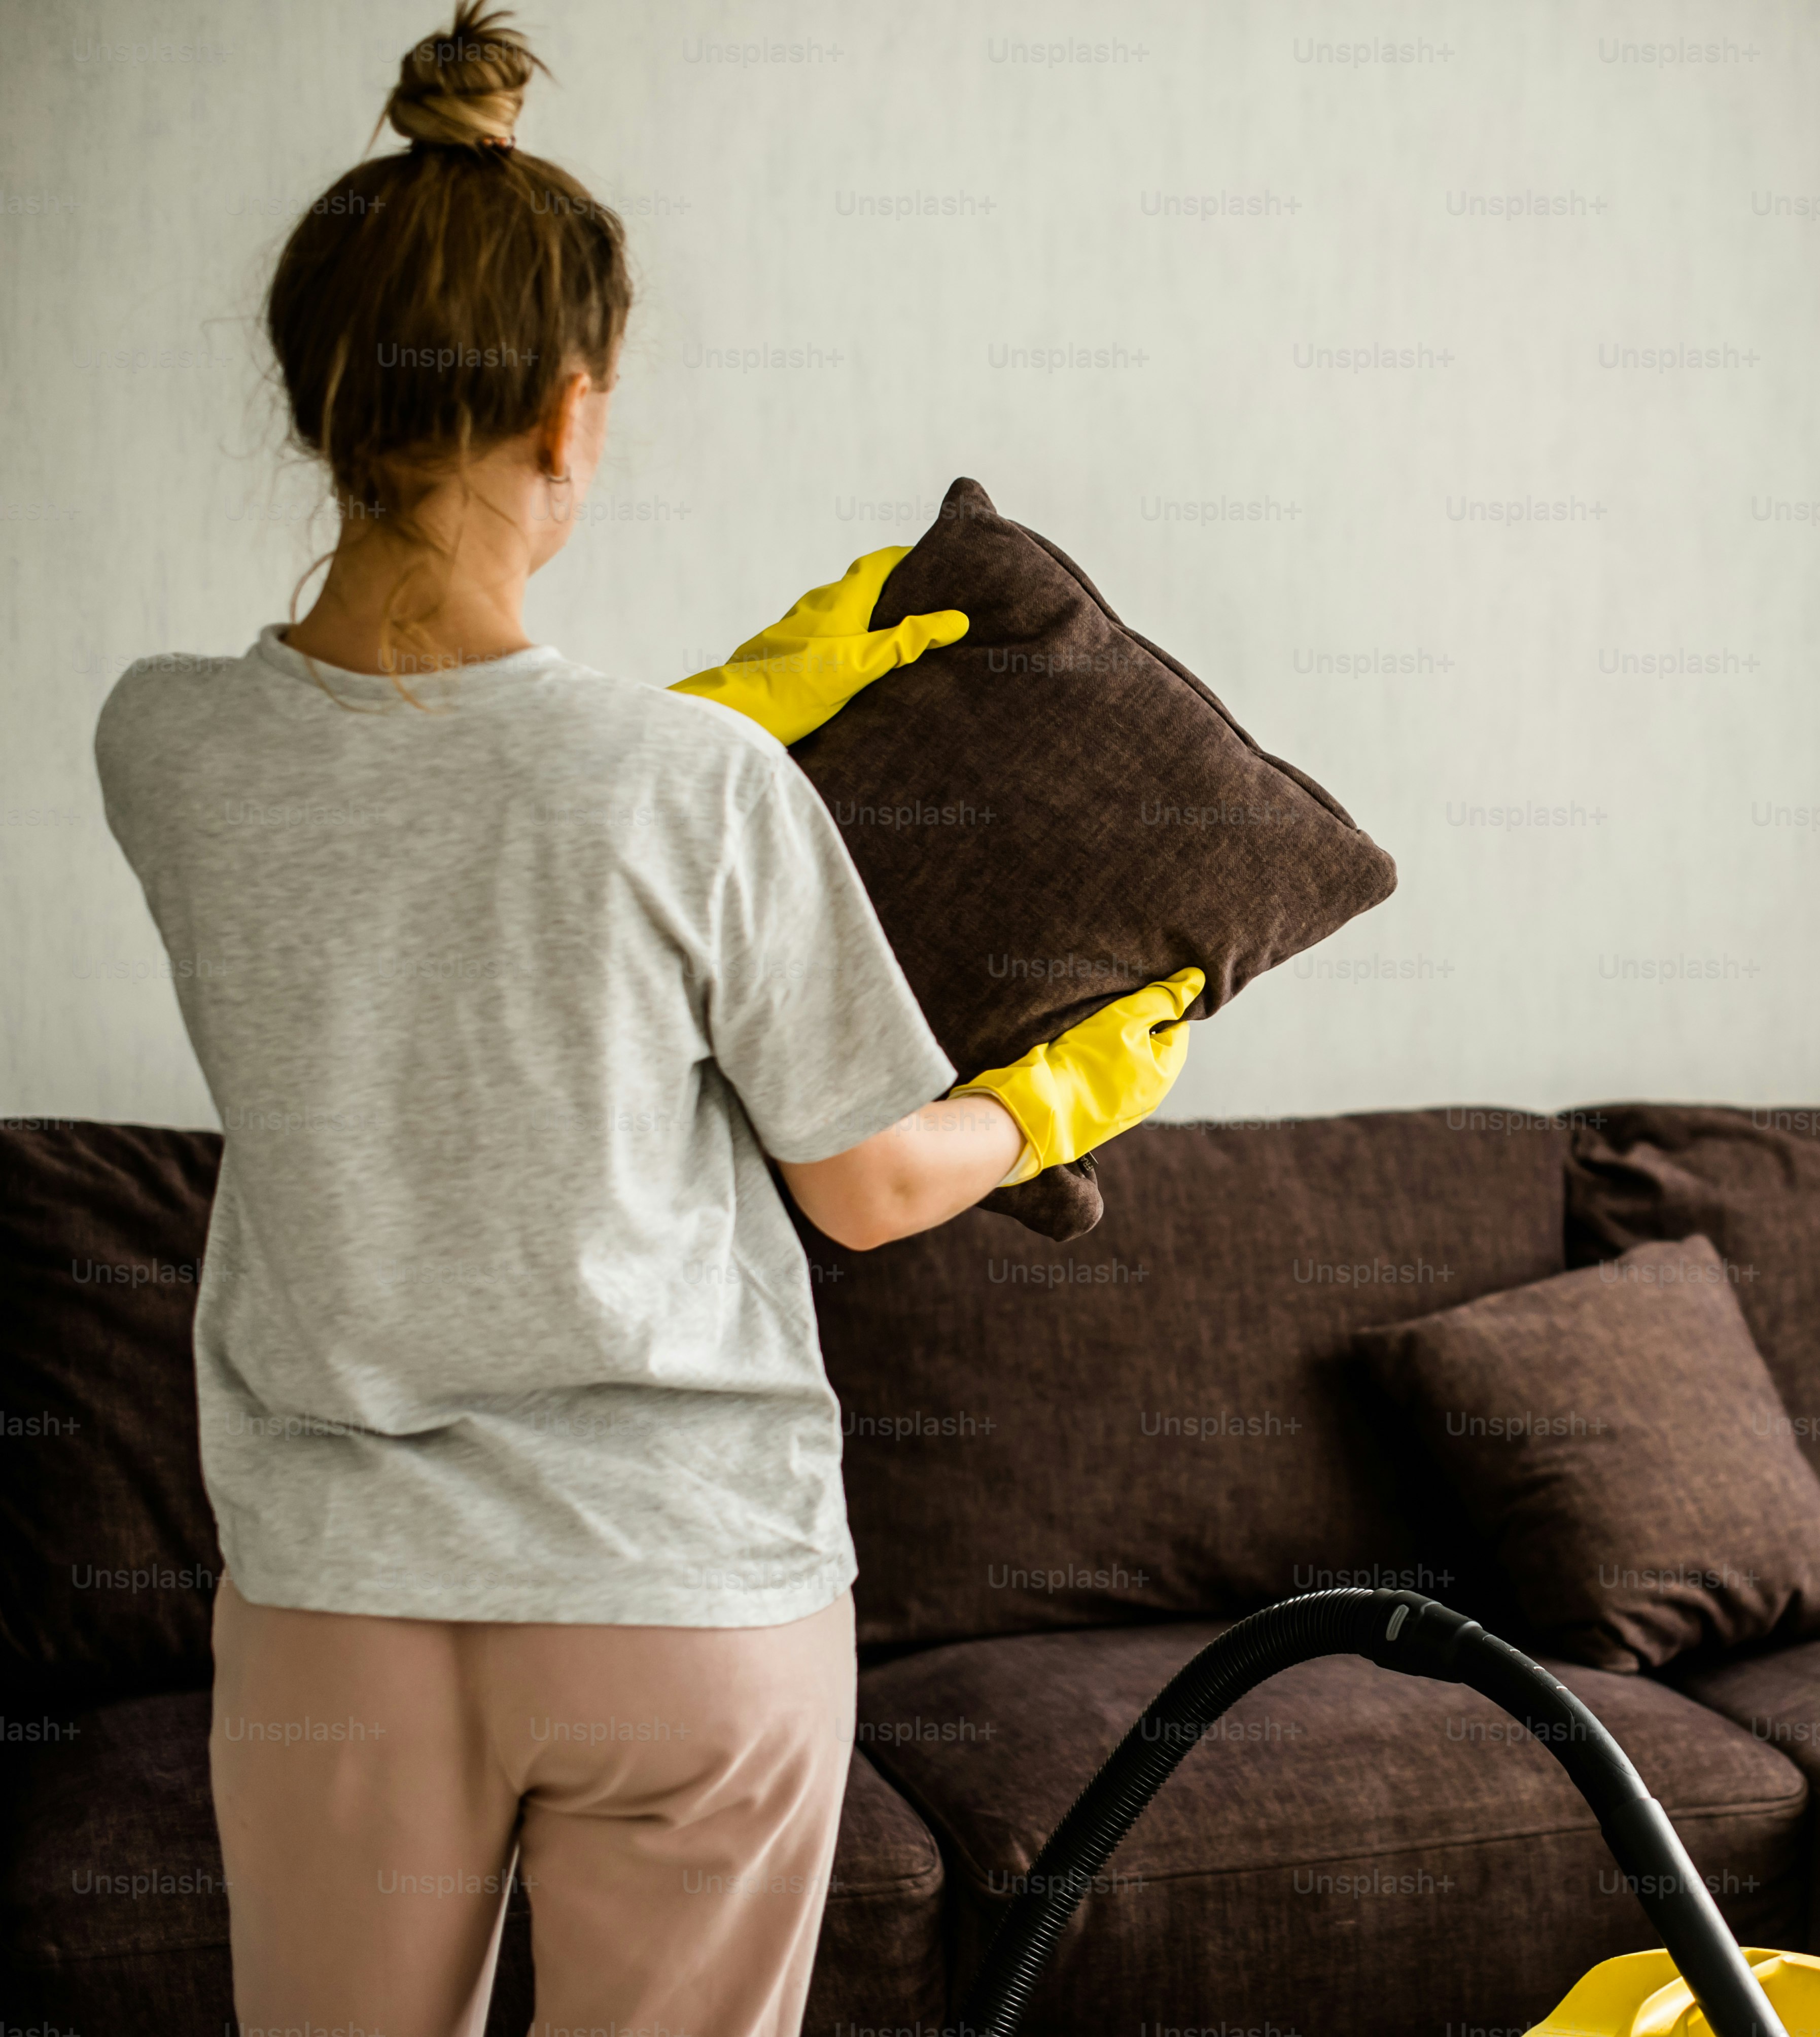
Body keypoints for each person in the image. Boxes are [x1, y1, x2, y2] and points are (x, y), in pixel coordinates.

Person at [89, 8, 1185, 2030]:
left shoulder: (158, 743)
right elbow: (862, 1182)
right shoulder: (692, 789)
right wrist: (1061, 1097)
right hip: (681, 1598)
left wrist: (698, 722)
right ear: (572, 418)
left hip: (339, 1597)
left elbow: (416, 812)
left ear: (318, 397)